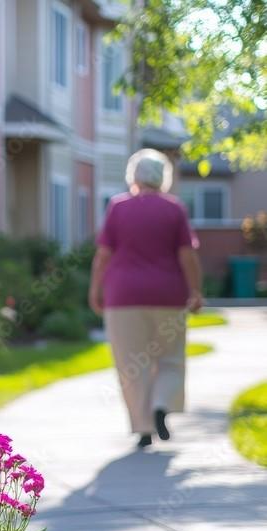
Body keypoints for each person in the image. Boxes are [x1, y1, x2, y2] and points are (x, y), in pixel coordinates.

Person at [88, 148, 203, 448]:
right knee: (170, 359)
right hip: (169, 295)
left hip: (123, 297)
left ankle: (143, 428)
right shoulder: (174, 208)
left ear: (133, 176)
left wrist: (95, 289)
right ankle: (161, 404)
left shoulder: (118, 207)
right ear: (162, 177)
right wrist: (196, 291)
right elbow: (187, 255)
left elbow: (103, 255)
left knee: (131, 364)